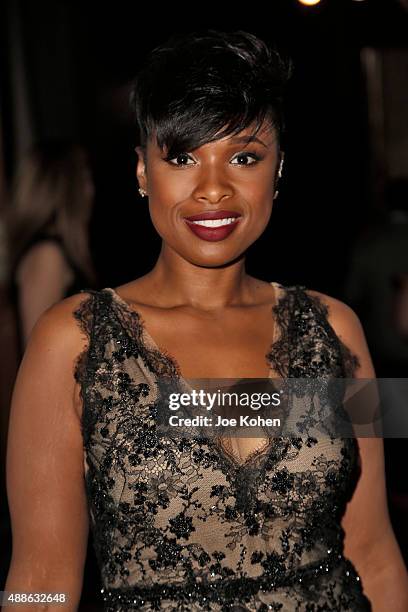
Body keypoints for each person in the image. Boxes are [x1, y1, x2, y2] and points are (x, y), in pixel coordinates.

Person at [4, 29, 408, 612]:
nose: (214, 188)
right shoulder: (72, 339)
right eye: (182, 157)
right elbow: (39, 577)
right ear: (142, 170)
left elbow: (374, 552)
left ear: (278, 169)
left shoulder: (335, 329)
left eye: (244, 157)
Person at [5, 140, 97, 352]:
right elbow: (37, 349)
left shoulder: (55, 251)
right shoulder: (47, 254)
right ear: (69, 187)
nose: (90, 188)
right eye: (85, 177)